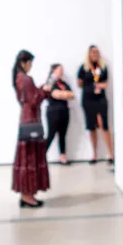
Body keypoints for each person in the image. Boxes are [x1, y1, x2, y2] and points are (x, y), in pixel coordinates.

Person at [13, 50, 53, 206]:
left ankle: (26, 194)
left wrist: (40, 90)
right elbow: (35, 100)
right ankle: (28, 196)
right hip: (32, 122)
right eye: (30, 63)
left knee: (26, 160)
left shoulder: (18, 78)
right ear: (24, 63)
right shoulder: (27, 79)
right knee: (30, 160)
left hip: (25, 121)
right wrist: (45, 91)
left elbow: (30, 97)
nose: (30, 66)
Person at [76, 45, 114, 164]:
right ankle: (94, 154)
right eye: (93, 52)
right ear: (89, 54)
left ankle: (111, 154)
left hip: (100, 99)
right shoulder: (83, 68)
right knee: (91, 127)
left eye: (97, 52)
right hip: (88, 100)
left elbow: (105, 83)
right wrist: (90, 85)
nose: (95, 54)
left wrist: (99, 85)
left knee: (104, 125)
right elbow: (80, 83)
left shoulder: (103, 67)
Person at [44, 63, 74, 165]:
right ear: (54, 71)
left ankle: (63, 157)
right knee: (51, 135)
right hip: (53, 112)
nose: (61, 72)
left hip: (64, 111)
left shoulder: (64, 84)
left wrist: (63, 94)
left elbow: (72, 94)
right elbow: (54, 94)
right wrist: (64, 94)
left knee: (62, 135)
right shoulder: (50, 84)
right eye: (59, 70)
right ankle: (41, 156)